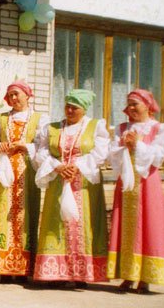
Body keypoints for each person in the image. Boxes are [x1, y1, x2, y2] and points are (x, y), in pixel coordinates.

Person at [34, 89, 109, 288]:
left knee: (81, 224)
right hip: (58, 181)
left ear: (83, 109)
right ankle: (55, 273)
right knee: (56, 223)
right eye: (67, 106)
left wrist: (77, 166)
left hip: (83, 184)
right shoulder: (52, 128)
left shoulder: (95, 127)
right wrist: (57, 166)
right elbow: (41, 152)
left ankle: (80, 273)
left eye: (74, 107)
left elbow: (100, 153)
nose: (69, 110)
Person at [108, 90, 164, 293]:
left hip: (147, 183)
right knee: (125, 227)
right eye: (128, 105)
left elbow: (158, 156)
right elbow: (112, 155)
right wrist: (122, 146)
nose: (130, 109)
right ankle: (128, 274)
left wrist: (137, 144)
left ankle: (145, 278)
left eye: (135, 104)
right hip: (127, 184)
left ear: (147, 105)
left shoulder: (159, 128)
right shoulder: (122, 128)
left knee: (148, 225)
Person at [0, 79, 49, 282]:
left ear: (27, 95)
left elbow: (43, 147)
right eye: (11, 95)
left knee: (23, 216)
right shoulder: (2, 118)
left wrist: (26, 147)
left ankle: (23, 267)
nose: (14, 98)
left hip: (26, 172)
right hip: (5, 173)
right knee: (3, 213)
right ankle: (3, 266)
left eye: (17, 94)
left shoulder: (39, 119)